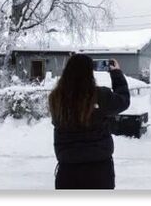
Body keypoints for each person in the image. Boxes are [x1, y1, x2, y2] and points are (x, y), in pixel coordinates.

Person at [48, 54, 130, 189]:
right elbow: (123, 100)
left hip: (67, 171)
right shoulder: (100, 96)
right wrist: (116, 74)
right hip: (99, 170)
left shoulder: (56, 98)